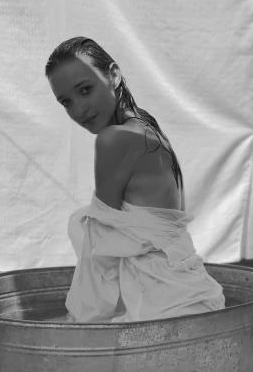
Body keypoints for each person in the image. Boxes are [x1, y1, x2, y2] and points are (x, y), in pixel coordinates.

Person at [45, 36, 225, 322]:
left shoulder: (113, 140)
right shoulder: (144, 123)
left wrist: (79, 324)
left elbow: (99, 253)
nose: (79, 110)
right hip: (193, 298)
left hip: (161, 311)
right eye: (66, 101)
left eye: (85, 89)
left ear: (114, 75)